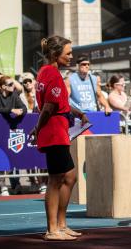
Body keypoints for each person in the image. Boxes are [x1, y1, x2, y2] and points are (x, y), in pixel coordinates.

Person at [30, 36, 89, 241]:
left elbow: (59, 102)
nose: (71, 56)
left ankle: (61, 225)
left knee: (70, 176)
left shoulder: (47, 72)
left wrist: (78, 113)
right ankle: (52, 229)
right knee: (55, 180)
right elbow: (48, 107)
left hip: (59, 130)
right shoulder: (52, 74)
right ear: (56, 54)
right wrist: (38, 128)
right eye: (68, 53)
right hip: (54, 131)